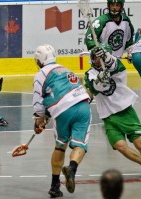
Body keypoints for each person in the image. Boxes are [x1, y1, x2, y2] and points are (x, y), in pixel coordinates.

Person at [84, 43, 141, 180]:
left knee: (139, 144)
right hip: (108, 116)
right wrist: (100, 80)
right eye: (95, 57)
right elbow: (94, 88)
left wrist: (107, 58)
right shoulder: (90, 74)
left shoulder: (117, 67)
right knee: (120, 146)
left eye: (100, 58)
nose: (97, 60)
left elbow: (115, 65)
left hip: (125, 111)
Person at [32, 44, 91, 197]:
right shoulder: (65, 69)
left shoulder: (41, 73)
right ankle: (72, 168)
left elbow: (38, 102)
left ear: (39, 60)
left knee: (60, 146)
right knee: (80, 145)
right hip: (83, 105)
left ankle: (55, 186)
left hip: (63, 110)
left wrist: (39, 120)